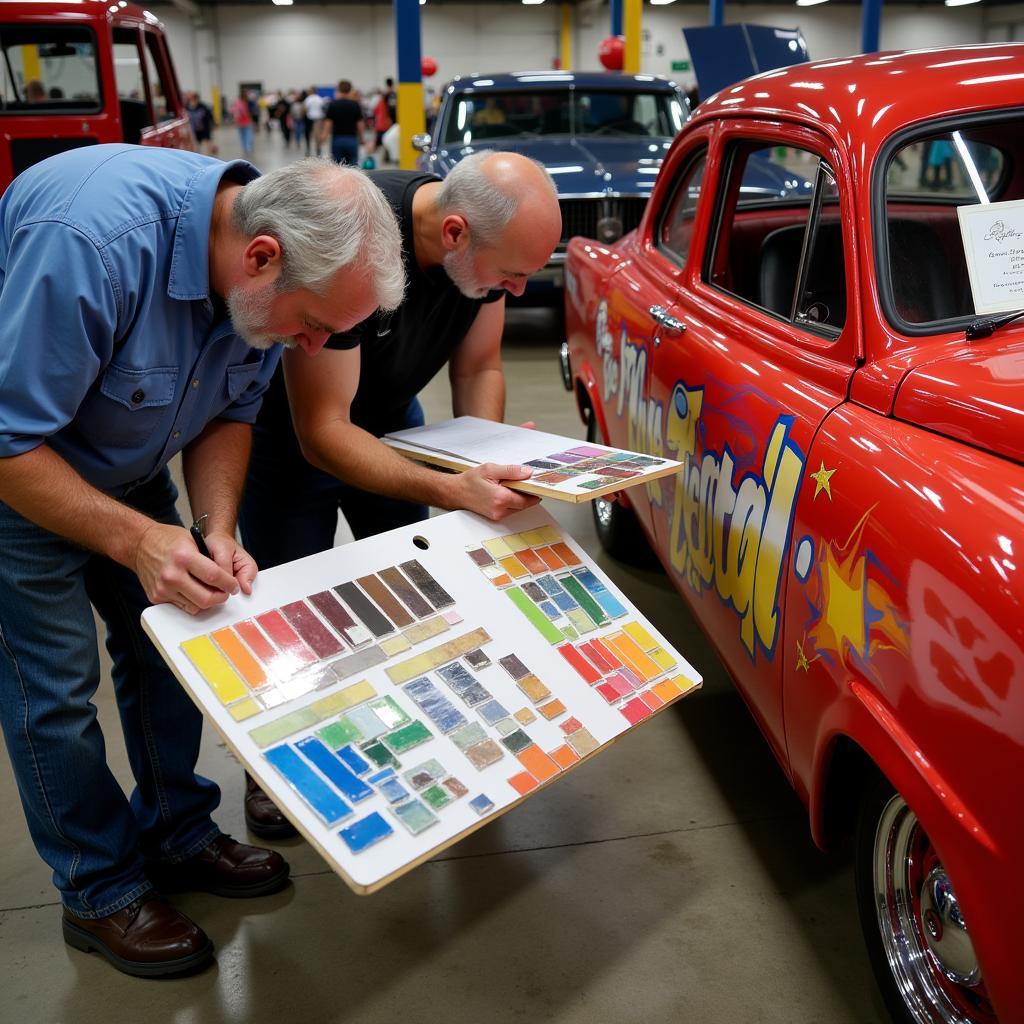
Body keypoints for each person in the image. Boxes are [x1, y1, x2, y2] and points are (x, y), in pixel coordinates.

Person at [0, 146, 404, 977]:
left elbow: (230, 411)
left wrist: (214, 526)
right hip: (21, 468)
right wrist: (138, 538)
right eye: (314, 326)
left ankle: (178, 833)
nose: (317, 345)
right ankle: (99, 885)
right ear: (261, 257)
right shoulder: (91, 245)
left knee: (170, 643)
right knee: (54, 686)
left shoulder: (263, 283)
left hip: (125, 459)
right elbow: (6, 441)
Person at [237, 151, 561, 834]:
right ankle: (278, 768)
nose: (522, 291)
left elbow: (481, 366)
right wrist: (452, 490)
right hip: (300, 434)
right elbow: (324, 431)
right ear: (454, 234)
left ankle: (413, 736)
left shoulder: (484, 253)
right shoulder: (354, 239)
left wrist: (490, 454)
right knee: (297, 611)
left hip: (391, 416)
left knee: (414, 591)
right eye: (511, 275)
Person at [321, 79, 363, 165]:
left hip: (337, 139)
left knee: (338, 166)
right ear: (350, 90)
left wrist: (324, 136)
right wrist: (361, 138)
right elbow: (360, 124)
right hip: (352, 139)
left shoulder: (333, 104)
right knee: (353, 166)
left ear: (339, 90)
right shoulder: (355, 105)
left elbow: (328, 123)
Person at [230, 87, 254, 158]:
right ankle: (246, 149)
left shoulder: (247, 101)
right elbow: (235, 112)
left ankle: (247, 149)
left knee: (246, 136)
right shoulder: (240, 102)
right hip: (242, 122)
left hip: (245, 121)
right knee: (245, 136)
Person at [303, 86, 325, 157]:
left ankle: (308, 149)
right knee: (317, 135)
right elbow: (323, 109)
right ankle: (318, 150)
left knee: (308, 134)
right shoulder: (320, 99)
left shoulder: (308, 99)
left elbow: (305, 109)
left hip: (310, 118)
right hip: (318, 118)